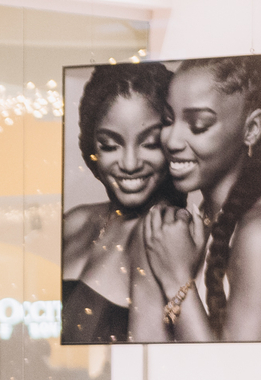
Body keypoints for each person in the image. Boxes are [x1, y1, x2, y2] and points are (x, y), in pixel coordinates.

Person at [143, 53, 261, 342]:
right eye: (169, 120)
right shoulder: (203, 216)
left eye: (198, 125)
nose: (171, 140)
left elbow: (234, 373)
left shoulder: (260, 231)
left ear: (252, 128)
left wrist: (176, 277)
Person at [62, 62, 181, 344]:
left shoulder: (166, 236)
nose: (129, 163)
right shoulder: (74, 221)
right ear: (92, 147)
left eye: (150, 143)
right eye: (110, 145)